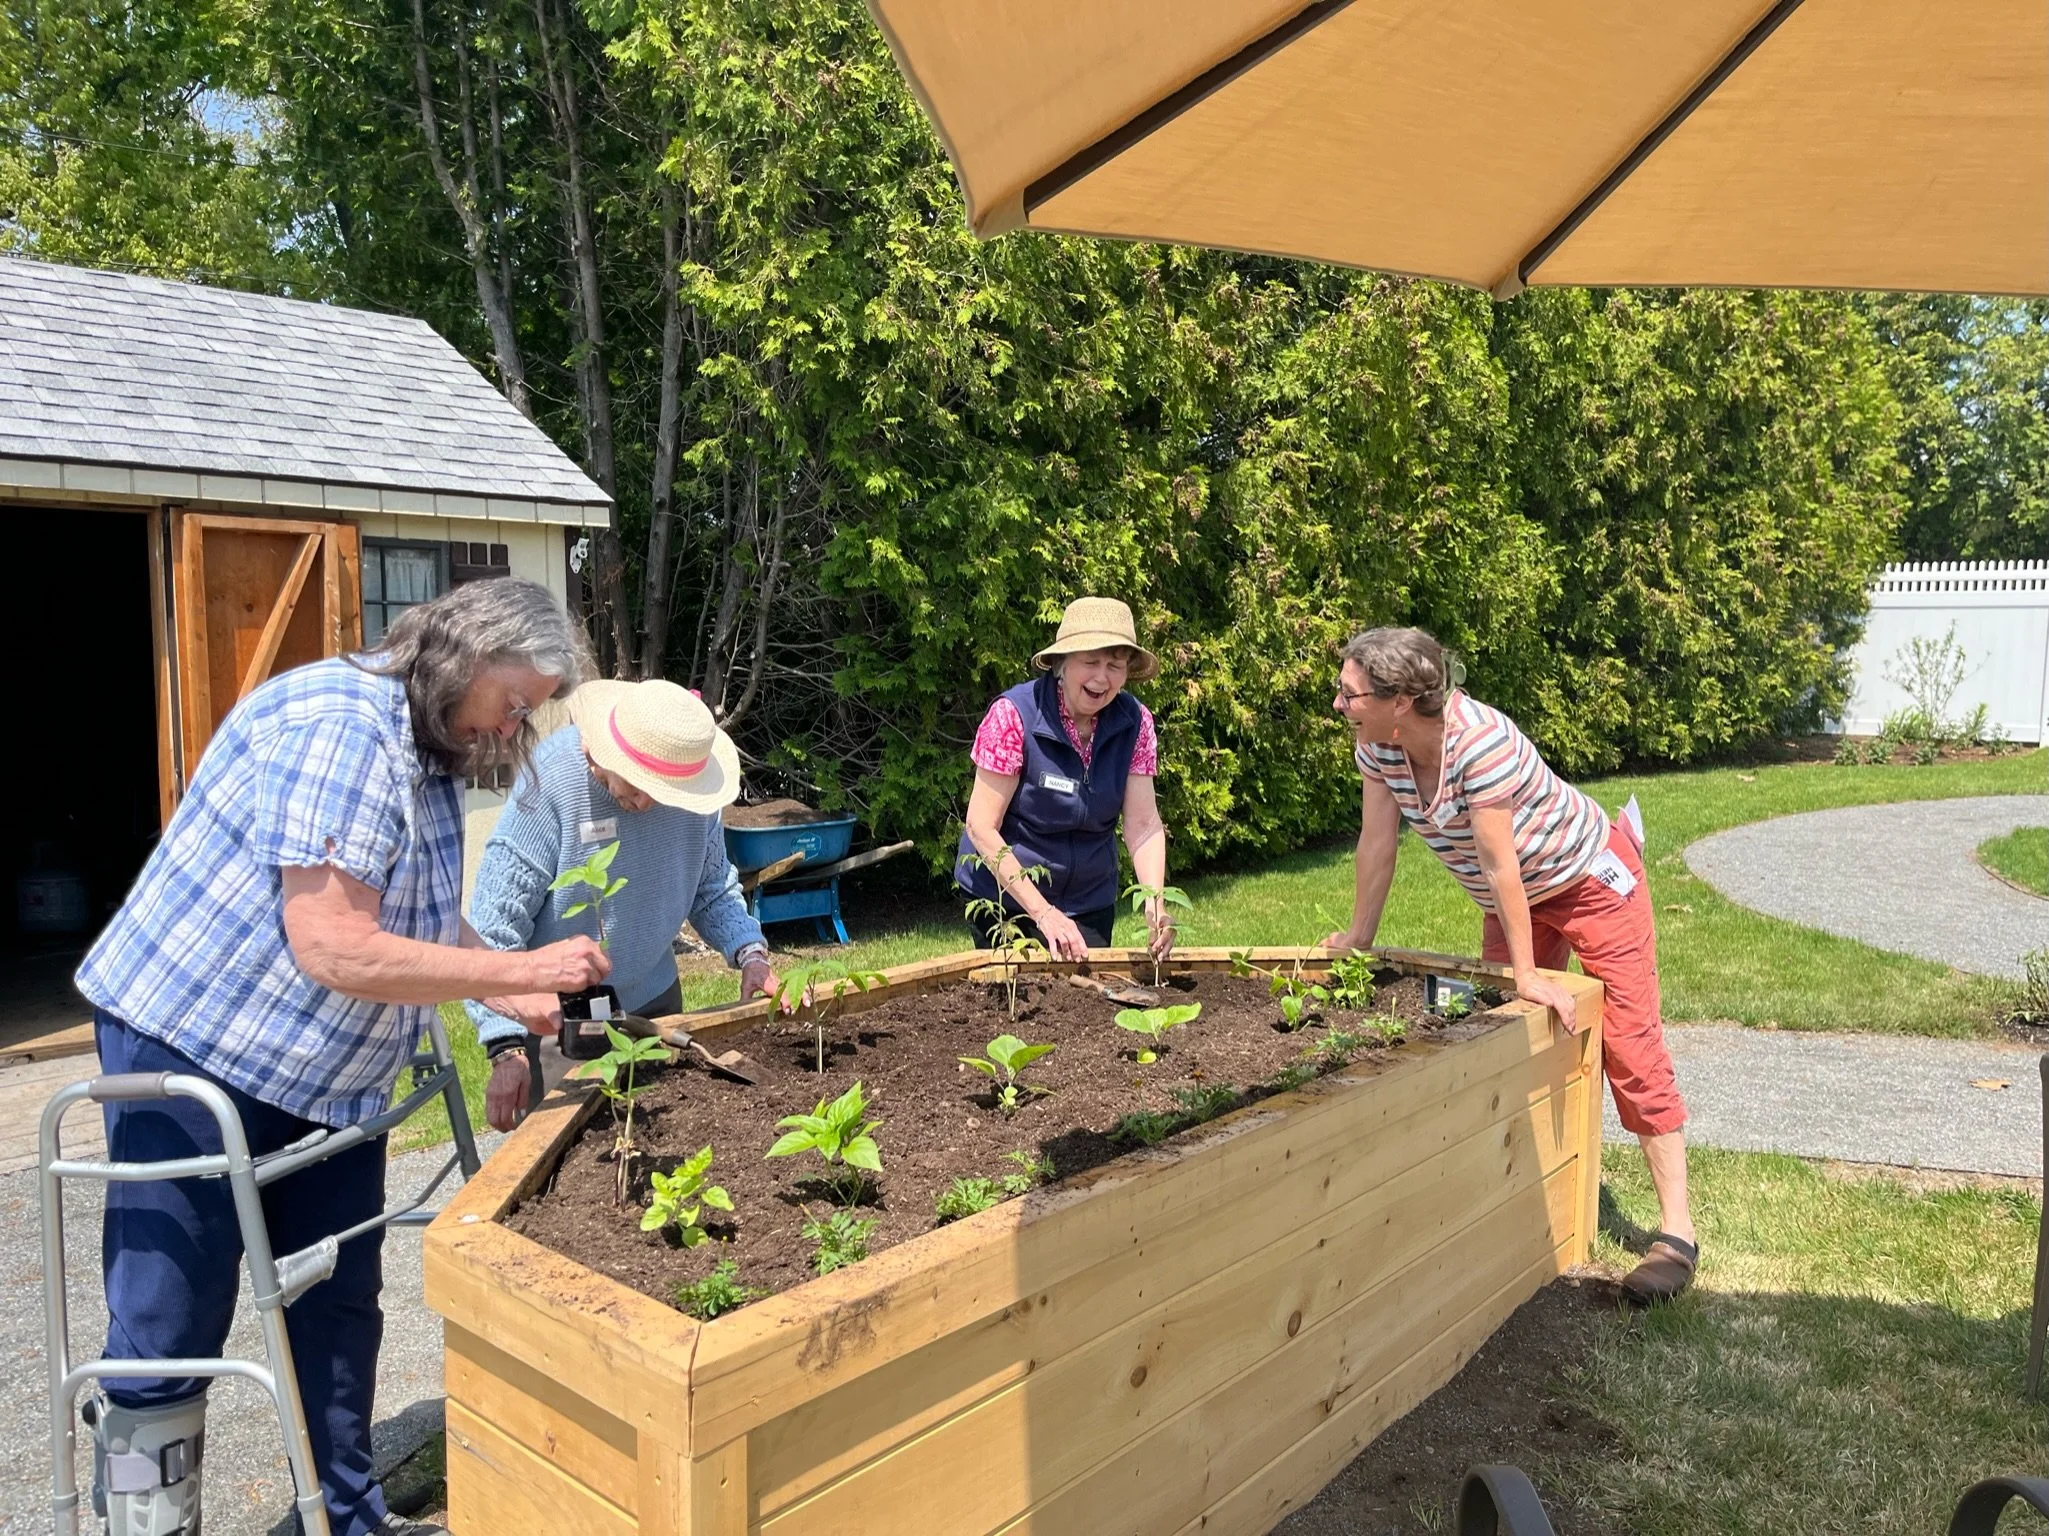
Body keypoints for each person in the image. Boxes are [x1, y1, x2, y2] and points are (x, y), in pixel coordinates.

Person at [73, 578, 607, 1536]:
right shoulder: (342, 730)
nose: (512, 728)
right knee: (171, 1315)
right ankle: (147, 1522)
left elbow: (414, 917)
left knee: (335, 1301)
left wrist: (507, 992)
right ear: (467, 656)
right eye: (513, 702)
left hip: (327, 1069)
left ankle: (348, 1521)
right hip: (199, 1048)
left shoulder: (431, 745)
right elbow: (334, 946)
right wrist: (523, 963)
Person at [1321, 626, 1697, 1306]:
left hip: (1590, 882)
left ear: (1400, 700)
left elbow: (1501, 864)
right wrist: (1357, 940)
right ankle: (1526, 1193)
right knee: (1503, 1036)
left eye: (1349, 694)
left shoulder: (1480, 743)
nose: (1339, 704)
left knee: (1629, 1044)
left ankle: (1676, 1233)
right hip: (1517, 898)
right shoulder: (1377, 747)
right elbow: (1377, 844)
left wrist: (1525, 975)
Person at [471, 677, 785, 1131]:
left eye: (666, 791)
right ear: (603, 753)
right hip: (561, 1022)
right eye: (642, 783)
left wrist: (750, 953)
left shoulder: (691, 788)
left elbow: (711, 886)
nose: (649, 801)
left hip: (657, 1004)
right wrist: (505, 1045)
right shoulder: (552, 780)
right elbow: (493, 927)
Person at [956, 596, 1176, 964]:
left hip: (1089, 899)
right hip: (1007, 898)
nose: (1102, 677)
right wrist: (1043, 913)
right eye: (1090, 662)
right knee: (1016, 997)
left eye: (1115, 665)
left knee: (1085, 996)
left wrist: (1155, 905)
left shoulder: (1136, 723)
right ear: (1062, 663)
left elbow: (1143, 825)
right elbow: (981, 827)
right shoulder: (1013, 716)